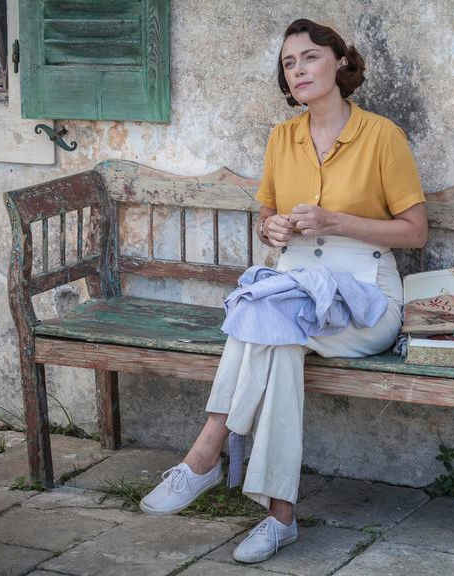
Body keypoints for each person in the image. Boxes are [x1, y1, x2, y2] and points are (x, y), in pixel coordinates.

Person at [140, 18, 428, 564]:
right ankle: (279, 517)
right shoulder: (282, 138)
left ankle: (205, 454)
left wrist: (335, 221)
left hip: (365, 297)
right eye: (289, 63)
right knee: (281, 345)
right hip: (294, 289)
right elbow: (267, 218)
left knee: (265, 317)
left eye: (310, 57)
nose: (298, 70)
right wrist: (271, 228)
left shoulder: (381, 136)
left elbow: (415, 232)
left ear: (340, 62)